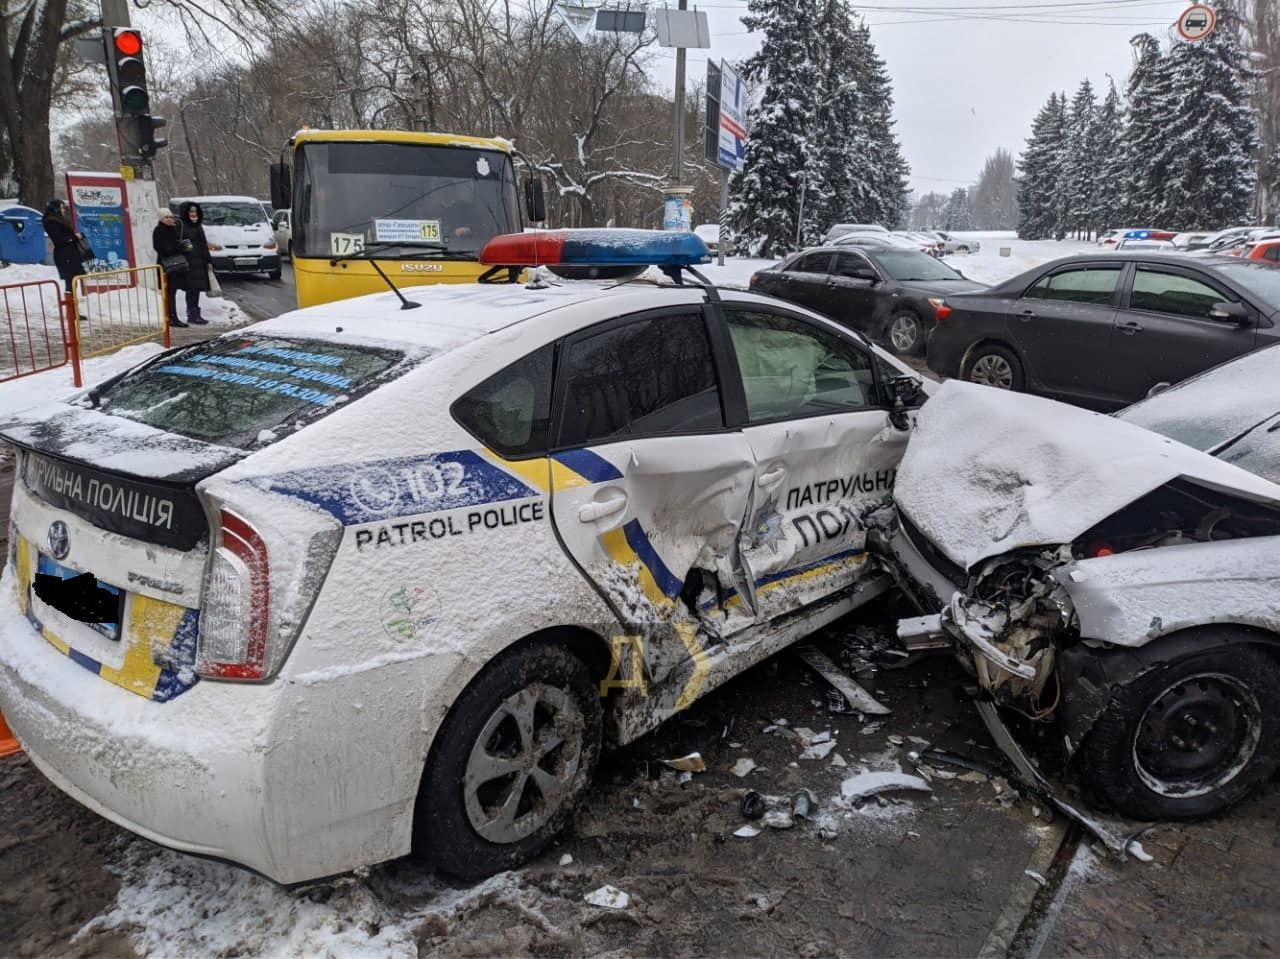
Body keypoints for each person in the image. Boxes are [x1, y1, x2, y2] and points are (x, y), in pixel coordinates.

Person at [177, 201, 216, 325]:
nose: (193, 214)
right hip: (188, 262)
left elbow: (203, 243)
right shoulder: (181, 224)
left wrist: (208, 260)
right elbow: (176, 241)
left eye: (195, 211)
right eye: (191, 212)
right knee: (191, 289)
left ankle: (196, 313)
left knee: (197, 289)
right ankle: (191, 314)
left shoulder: (198, 225)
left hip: (200, 261)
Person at [152, 209, 191, 328]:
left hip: (176, 265)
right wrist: (179, 247)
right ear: (161, 219)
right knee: (169, 293)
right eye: (166, 217)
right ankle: (171, 318)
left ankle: (172, 317)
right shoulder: (159, 230)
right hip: (166, 265)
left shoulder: (173, 229)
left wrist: (184, 246)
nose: (169, 219)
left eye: (170, 217)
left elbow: (175, 244)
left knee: (172, 292)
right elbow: (161, 248)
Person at [42, 199, 87, 295]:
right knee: (70, 279)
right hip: (64, 254)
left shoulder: (57, 218)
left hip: (69, 253)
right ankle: (70, 303)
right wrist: (75, 237)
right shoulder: (51, 221)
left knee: (73, 278)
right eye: (61, 207)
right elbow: (59, 238)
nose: (63, 210)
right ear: (55, 208)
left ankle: (72, 302)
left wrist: (74, 236)